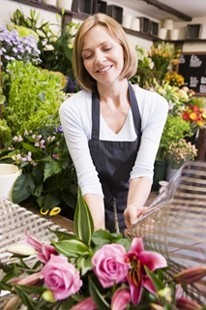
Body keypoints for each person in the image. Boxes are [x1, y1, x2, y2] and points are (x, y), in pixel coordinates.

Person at [59, 13, 168, 233]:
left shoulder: (153, 105)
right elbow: (88, 179)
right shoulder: (73, 109)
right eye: (88, 55)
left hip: (134, 214)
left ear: (123, 48)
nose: (98, 59)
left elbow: (142, 170)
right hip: (91, 214)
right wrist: (98, 236)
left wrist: (134, 210)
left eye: (106, 48)